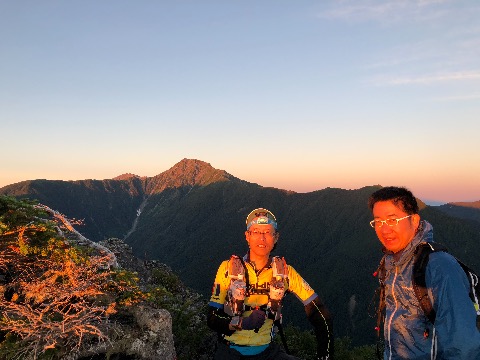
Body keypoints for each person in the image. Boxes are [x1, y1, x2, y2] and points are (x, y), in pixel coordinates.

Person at [368, 186, 480, 359]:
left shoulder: (439, 267)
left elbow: (464, 348)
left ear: (414, 220)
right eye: (378, 222)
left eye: (392, 220)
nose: (384, 229)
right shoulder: (392, 263)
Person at [207, 208, 334, 360]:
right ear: (247, 236)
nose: (262, 238)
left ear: (276, 237)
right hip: (230, 351)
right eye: (256, 232)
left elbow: (319, 313)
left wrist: (325, 355)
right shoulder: (227, 269)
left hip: (268, 352)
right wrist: (242, 323)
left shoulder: (285, 273)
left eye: (268, 232)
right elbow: (212, 318)